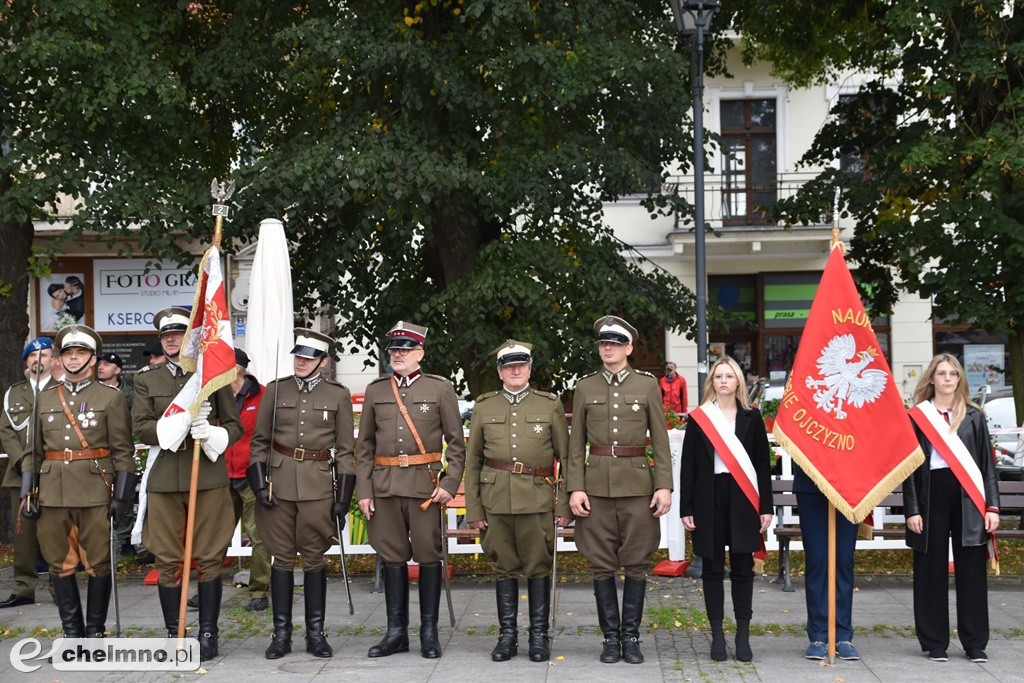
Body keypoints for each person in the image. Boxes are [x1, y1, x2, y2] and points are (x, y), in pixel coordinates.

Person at [131, 307, 242, 660]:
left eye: (179, 334)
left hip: (207, 477)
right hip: (164, 480)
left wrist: (211, 433)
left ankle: (209, 633)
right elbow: (140, 427)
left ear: (192, 338)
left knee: (209, 557)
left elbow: (236, 426)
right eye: (166, 336)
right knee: (168, 559)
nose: (172, 340)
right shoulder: (147, 379)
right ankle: (173, 632)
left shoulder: (214, 378)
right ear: (161, 342)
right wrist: (175, 427)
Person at [355, 321, 466, 659]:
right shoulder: (376, 390)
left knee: (429, 557)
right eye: (393, 349)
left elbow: (457, 445)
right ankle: (395, 632)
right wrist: (364, 490)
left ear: (420, 352)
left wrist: (449, 484)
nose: (397, 354)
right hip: (385, 486)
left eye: (404, 349)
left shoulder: (440, 389)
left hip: (425, 487)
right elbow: (364, 446)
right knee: (392, 556)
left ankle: (428, 633)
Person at [567, 315, 672, 665]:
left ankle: (632, 637)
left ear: (628, 348)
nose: (607, 348)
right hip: (595, 486)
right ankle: (610, 639)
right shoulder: (585, 386)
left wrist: (664, 486)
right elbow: (575, 443)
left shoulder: (646, 385)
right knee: (600, 564)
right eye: (602, 343)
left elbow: (659, 439)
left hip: (637, 485)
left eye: (614, 343)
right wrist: (575, 487)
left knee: (638, 563)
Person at [19, 325, 136, 638]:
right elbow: (33, 451)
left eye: (80, 353)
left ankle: (95, 631)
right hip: (52, 492)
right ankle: (73, 633)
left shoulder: (109, 398)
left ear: (93, 358)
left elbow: (124, 453)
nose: (72, 358)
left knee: (98, 563)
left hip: (95, 490)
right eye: (67, 353)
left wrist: (121, 498)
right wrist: (27, 494)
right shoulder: (44, 398)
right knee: (59, 563)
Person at [248, 330, 355, 659]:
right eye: (298, 356)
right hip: (278, 484)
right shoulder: (276, 390)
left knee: (313, 558)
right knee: (280, 558)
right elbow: (259, 442)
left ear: (323, 362)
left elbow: (346, 450)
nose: (301, 361)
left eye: (308, 358)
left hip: (318, 485)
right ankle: (281, 634)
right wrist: (258, 483)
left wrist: (343, 498)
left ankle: (315, 633)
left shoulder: (338, 394)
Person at [465, 340, 571, 663]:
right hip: (495, 499)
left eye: (521, 365)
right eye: (509, 365)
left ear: (529, 368)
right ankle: (507, 636)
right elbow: (473, 462)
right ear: (499, 372)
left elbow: (565, 459)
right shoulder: (484, 406)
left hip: (537, 499)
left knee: (538, 565)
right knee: (503, 567)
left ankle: (539, 636)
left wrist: (564, 505)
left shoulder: (549, 404)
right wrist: (474, 508)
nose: (515, 370)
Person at [904, 354, 999, 663]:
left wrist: (993, 507)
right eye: (941, 373)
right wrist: (912, 509)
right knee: (929, 570)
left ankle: (974, 642)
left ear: (960, 379)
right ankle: (935, 642)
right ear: (931, 379)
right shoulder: (918, 417)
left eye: (953, 373)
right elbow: (909, 468)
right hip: (931, 494)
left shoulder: (974, 416)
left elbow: (987, 466)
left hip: (969, 497)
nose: (947, 378)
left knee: (971, 569)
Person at [680, 356, 773, 662]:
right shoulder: (699, 419)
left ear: (737, 383)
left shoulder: (752, 418)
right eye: (718, 376)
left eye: (729, 376)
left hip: (744, 497)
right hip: (708, 497)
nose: (723, 381)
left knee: (743, 567)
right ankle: (717, 634)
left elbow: (762, 466)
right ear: (712, 383)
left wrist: (766, 507)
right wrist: (686, 506)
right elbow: (689, 466)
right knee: (712, 567)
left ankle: (743, 635)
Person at [0, 338, 55, 609]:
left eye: (44, 355)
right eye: (33, 355)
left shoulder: (61, 390)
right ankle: (24, 588)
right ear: (26, 362)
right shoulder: (14, 393)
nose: (38, 359)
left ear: (53, 361)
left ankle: (60, 585)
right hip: (20, 473)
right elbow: (7, 432)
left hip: (56, 472)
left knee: (57, 530)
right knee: (23, 534)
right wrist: (23, 462)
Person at [793, 462, 859, 660]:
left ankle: (843, 635)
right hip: (811, 482)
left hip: (849, 485)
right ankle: (819, 636)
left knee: (844, 561)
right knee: (817, 560)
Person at [223, 348, 271, 613]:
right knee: (214, 538)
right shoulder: (215, 395)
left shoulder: (263, 396)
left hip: (252, 476)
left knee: (259, 536)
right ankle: (205, 589)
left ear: (237, 368)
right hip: (221, 475)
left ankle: (259, 590)